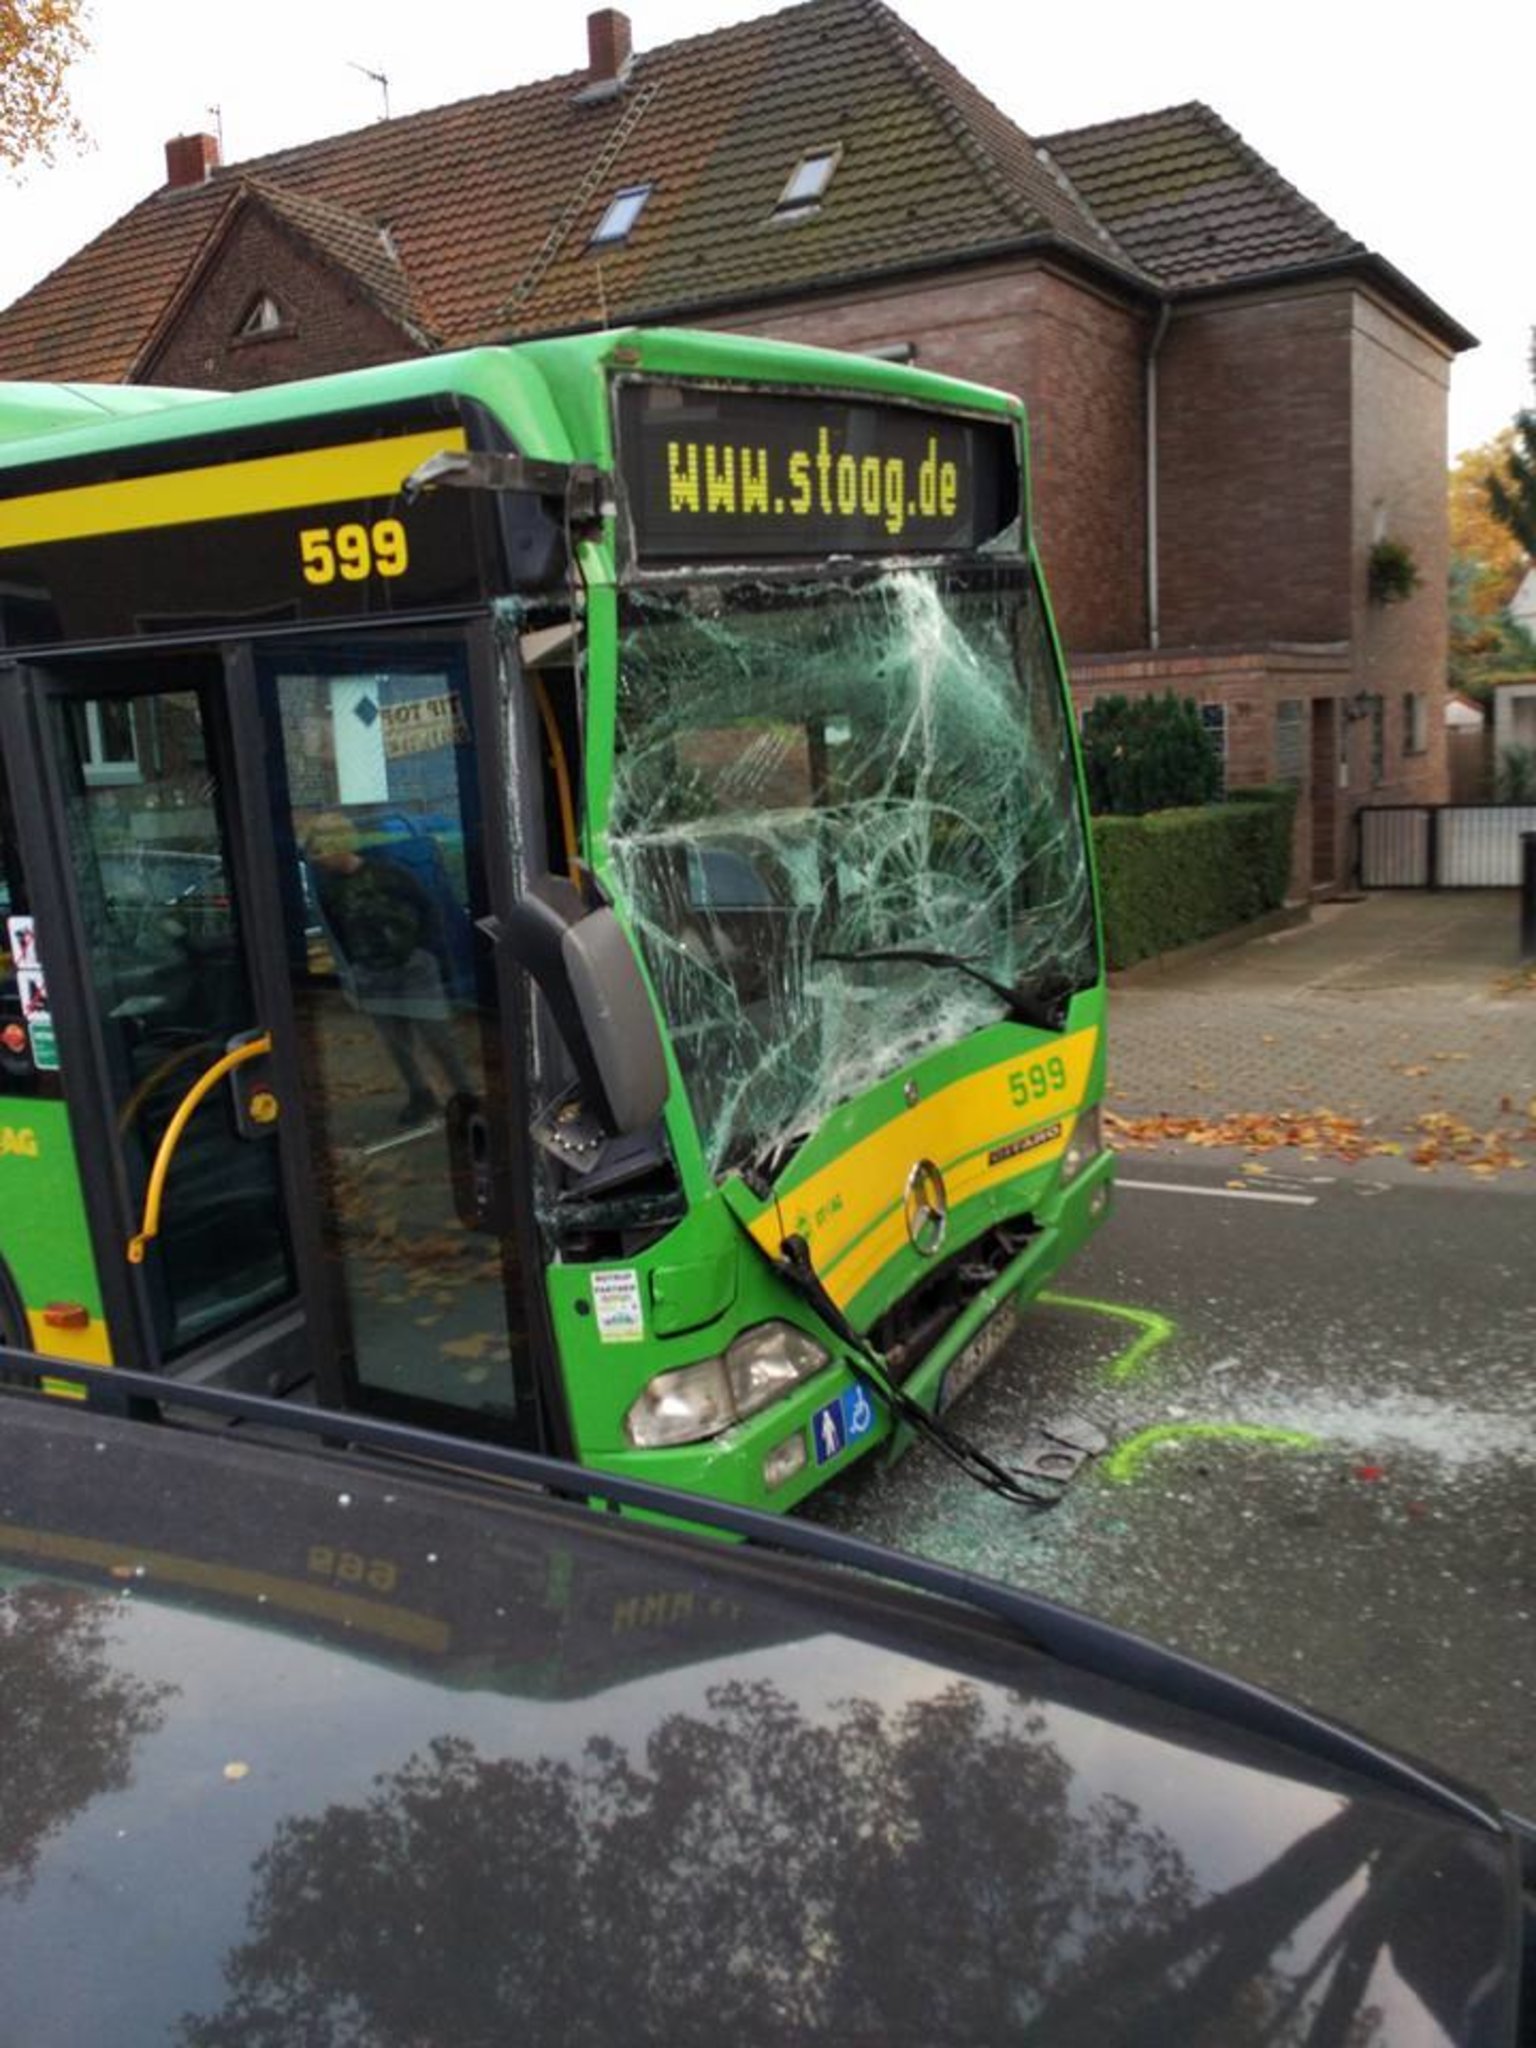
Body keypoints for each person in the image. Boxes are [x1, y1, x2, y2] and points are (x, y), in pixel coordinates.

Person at [304, 811, 473, 1125]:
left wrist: (428, 957)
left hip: (413, 968)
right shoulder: (329, 890)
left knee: (437, 1036)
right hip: (373, 973)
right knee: (397, 1043)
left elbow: (430, 913)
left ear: (338, 845)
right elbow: (339, 933)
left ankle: (464, 1094)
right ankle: (421, 1095)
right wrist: (355, 969)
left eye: (319, 851)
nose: (317, 861)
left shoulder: (389, 875)